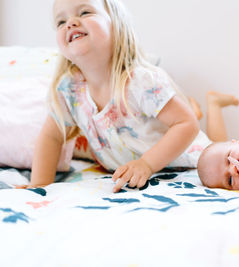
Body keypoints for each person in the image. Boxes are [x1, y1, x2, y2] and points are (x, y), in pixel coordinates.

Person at [30, 0, 208, 193]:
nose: (70, 23)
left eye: (84, 13)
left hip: (185, 164)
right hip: (132, 174)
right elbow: (51, 137)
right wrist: (39, 186)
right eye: (60, 22)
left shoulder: (140, 81)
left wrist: (146, 164)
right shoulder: (70, 90)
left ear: (116, 25)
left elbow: (187, 124)